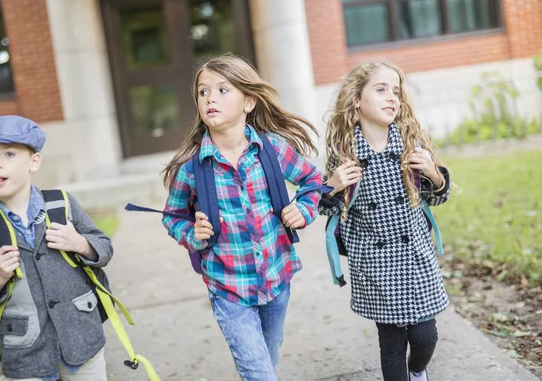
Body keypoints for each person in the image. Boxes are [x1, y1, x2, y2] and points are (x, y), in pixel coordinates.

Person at [161, 54, 322, 381]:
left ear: (249, 101)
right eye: (203, 92)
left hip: (277, 278)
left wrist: (304, 210)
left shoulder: (272, 150)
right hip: (227, 285)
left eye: (222, 90)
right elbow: (173, 216)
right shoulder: (192, 167)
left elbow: (312, 181)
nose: (210, 99)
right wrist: (193, 233)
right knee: (258, 372)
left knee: (268, 355)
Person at [319, 61, 451, 381]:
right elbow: (325, 209)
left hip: (416, 257)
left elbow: (437, 198)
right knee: (391, 346)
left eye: (396, 92)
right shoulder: (345, 155)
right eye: (381, 90)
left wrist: (433, 172)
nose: (391, 97)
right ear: (356, 100)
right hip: (376, 265)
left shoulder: (410, 146)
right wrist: (332, 187)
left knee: (424, 336)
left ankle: (418, 369)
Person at [0, 115, 112, 381]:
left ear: (34, 161)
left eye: (8, 154)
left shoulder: (62, 204)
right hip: (26, 354)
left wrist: (80, 244)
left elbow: (105, 248)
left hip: (82, 339)